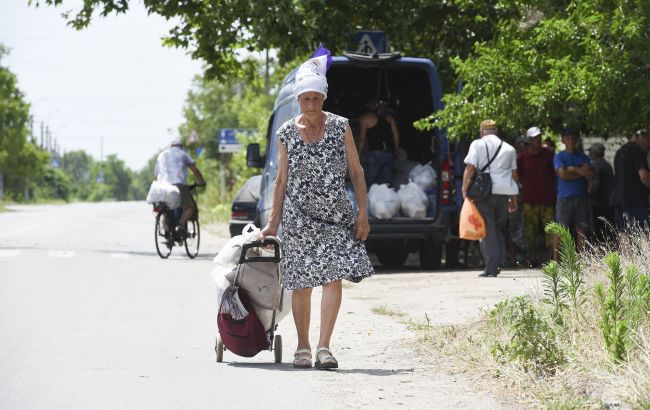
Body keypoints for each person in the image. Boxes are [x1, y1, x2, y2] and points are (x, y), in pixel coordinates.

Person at [260, 50, 374, 370]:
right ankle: (303, 347)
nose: (310, 104)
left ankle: (324, 347)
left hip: (336, 215)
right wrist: (272, 224)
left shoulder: (340, 127)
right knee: (301, 282)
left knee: (332, 277)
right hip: (298, 217)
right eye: (305, 98)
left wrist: (362, 213)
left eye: (315, 98)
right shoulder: (285, 133)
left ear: (323, 97)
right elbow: (281, 181)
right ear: (298, 99)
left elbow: (357, 173)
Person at [462, 119, 519, 277]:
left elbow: (470, 168)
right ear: (496, 131)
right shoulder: (509, 149)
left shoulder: (477, 144)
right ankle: (499, 263)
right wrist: (514, 197)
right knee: (497, 228)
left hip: (484, 192)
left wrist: (464, 188)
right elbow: (514, 175)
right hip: (504, 192)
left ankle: (491, 268)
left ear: (482, 132)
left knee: (487, 229)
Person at [517, 126, 556, 267]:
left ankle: (552, 258)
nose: (537, 140)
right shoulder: (522, 157)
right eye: (534, 138)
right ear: (529, 140)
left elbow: (554, 174)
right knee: (530, 232)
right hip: (529, 200)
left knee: (550, 230)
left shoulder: (549, 154)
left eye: (539, 137)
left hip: (547, 199)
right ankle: (532, 259)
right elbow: (517, 176)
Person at [154, 137, 206, 236]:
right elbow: (194, 170)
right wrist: (201, 182)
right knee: (190, 206)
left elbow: (156, 175)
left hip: (162, 186)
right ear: (181, 146)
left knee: (165, 208)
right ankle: (181, 225)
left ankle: (167, 230)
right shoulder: (182, 153)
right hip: (178, 186)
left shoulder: (162, 155)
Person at [553, 129, 593, 256]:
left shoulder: (583, 156)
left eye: (572, 138)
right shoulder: (559, 156)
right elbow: (562, 174)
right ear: (563, 140)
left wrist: (572, 169)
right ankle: (555, 260)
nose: (570, 141)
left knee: (582, 229)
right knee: (560, 229)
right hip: (564, 197)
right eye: (568, 138)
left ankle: (583, 260)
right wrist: (580, 172)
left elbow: (590, 172)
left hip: (581, 196)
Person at [611, 129, 650, 232]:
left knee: (624, 231)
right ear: (642, 137)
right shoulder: (638, 151)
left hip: (619, 199)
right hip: (635, 199)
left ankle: (625, 249)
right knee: (643, 232)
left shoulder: (620, 151)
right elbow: (644, 176)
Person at [358, 98, 400, 188]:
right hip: (389, 153)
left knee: (369, 183)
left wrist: (359, 153)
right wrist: (396, 150)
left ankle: (368, 200)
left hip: (374, 155)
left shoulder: (366, 118)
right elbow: (395, 135)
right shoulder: (389, 118)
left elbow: (362, 139)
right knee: (385, 184)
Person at [587, 143, 615, 241]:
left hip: (598, 203)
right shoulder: (607, 165)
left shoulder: (595, 165)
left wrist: (588, 193)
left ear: (595, 152)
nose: (589, 153)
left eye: (590, 151)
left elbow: (595, 182)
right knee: (608, 231)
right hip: (609, 203)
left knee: (599, 232)